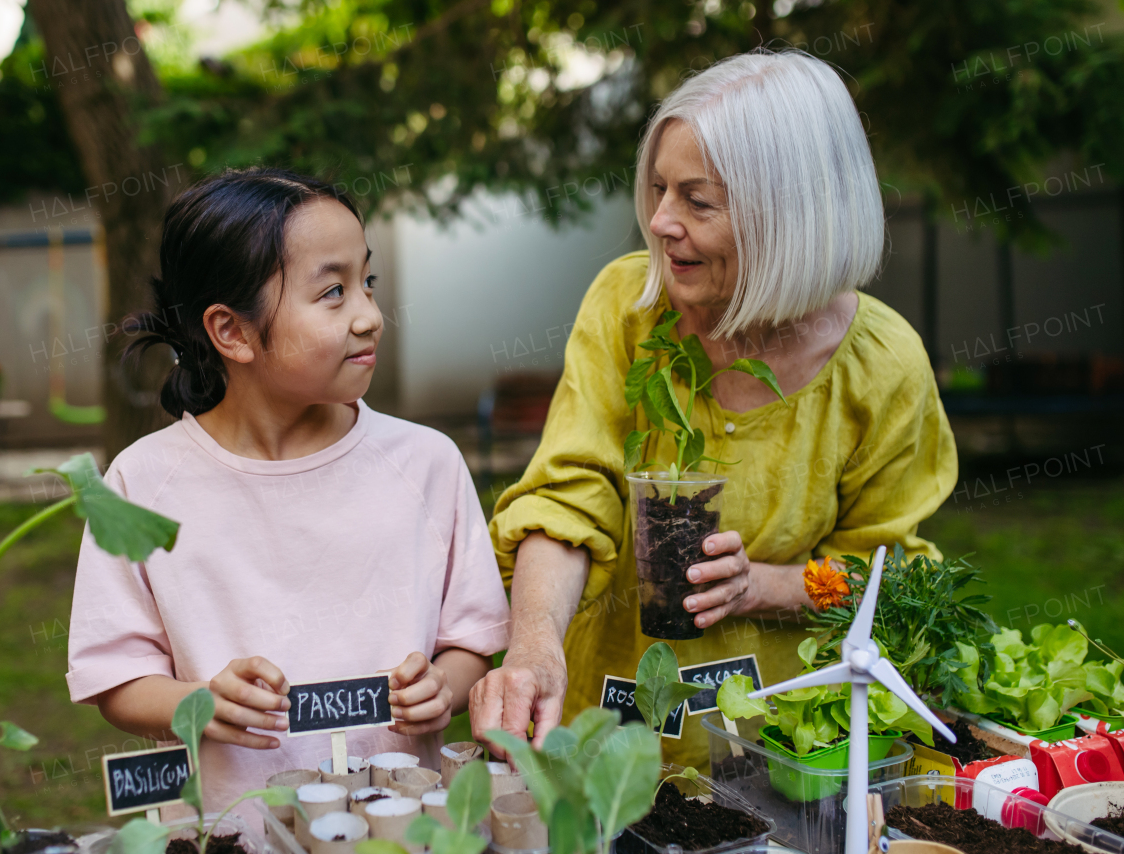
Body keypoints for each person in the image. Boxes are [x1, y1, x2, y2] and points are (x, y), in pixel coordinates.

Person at [470, 49, 958, 771]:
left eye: (697, 201)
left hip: (781, 751)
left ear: (791, 215)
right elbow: (571, 497)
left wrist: (765, 586)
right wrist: (536, 644)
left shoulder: (883, 364)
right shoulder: (627, 306)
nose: (661, 222)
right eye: (659, 189)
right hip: (607, 732)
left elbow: (895, 578)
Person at [66, 168, 511, 826]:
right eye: (333, 292)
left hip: (403, 830)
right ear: (233, 332)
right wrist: (198, 703)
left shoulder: (427, 464)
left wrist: (444, 687)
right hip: (229, 831)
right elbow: (116, 676)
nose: (370, 316)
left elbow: (471, 639)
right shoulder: (140, 485)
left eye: (368, 282)